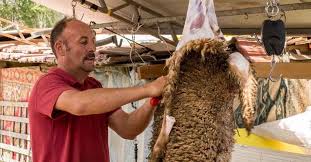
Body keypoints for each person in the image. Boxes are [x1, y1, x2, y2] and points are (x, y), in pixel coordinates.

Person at [28, 17, 167, 162]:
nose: (92, 48)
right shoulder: (47, 84)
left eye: (93, 41)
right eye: (83, 42)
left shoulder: (94, 86)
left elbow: (128, 128)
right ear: (60, 48)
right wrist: (147, 89)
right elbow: (80, 104)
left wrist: (152, 100)